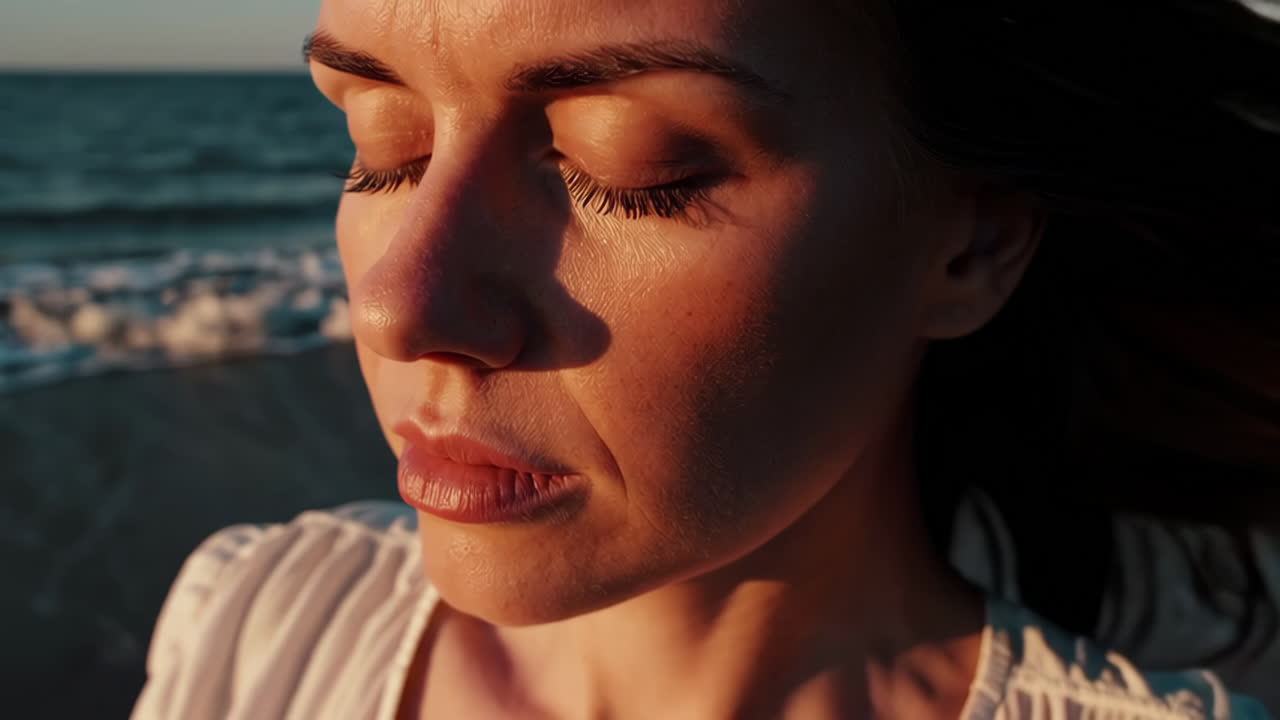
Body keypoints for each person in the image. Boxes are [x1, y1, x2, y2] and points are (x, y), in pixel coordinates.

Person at [131, 0, 1280, 718]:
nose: (397, 308)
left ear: (970, 243)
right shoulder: (262, 621)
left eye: (624, 168)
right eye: (383, 148)